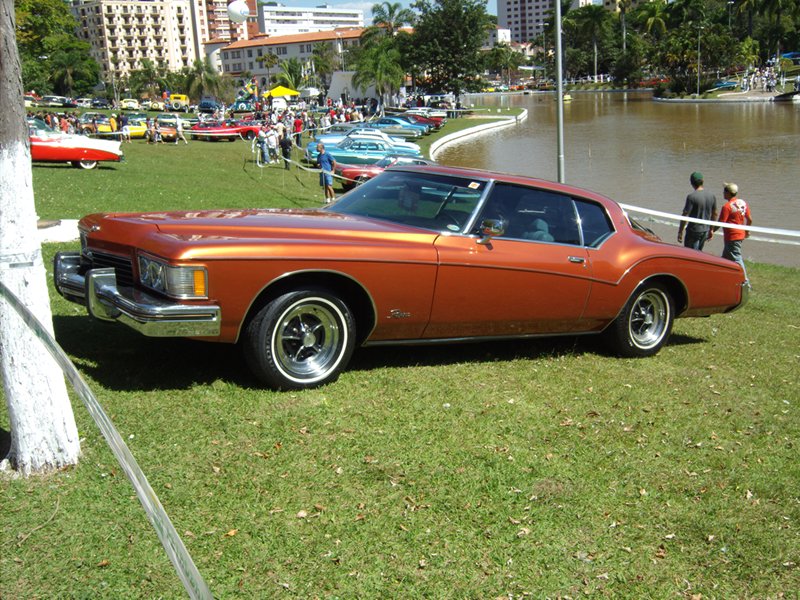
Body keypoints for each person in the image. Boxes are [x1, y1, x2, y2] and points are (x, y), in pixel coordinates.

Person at [714, 182, 753, 286]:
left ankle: (745, 282)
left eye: (724, 191)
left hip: (732, 236)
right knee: (725, 258)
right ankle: (722, 278)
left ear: (728, 193)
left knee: (737, 258)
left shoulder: (727, 207)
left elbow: (720, 222)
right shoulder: (742, 203)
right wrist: (747, 231)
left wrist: (711, 231)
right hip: (739, 235)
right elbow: (749, 219)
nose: (723, 193)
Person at [677, 171, 717, 250]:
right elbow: (715, 214)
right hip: (705, 230)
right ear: (703, 181)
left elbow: (685, 214)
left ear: (691, 183)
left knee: (690, 254)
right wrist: (711, 229)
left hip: (693, 231)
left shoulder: (691, 197)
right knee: (699, 253)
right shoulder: (712, 196)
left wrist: (680, 231)